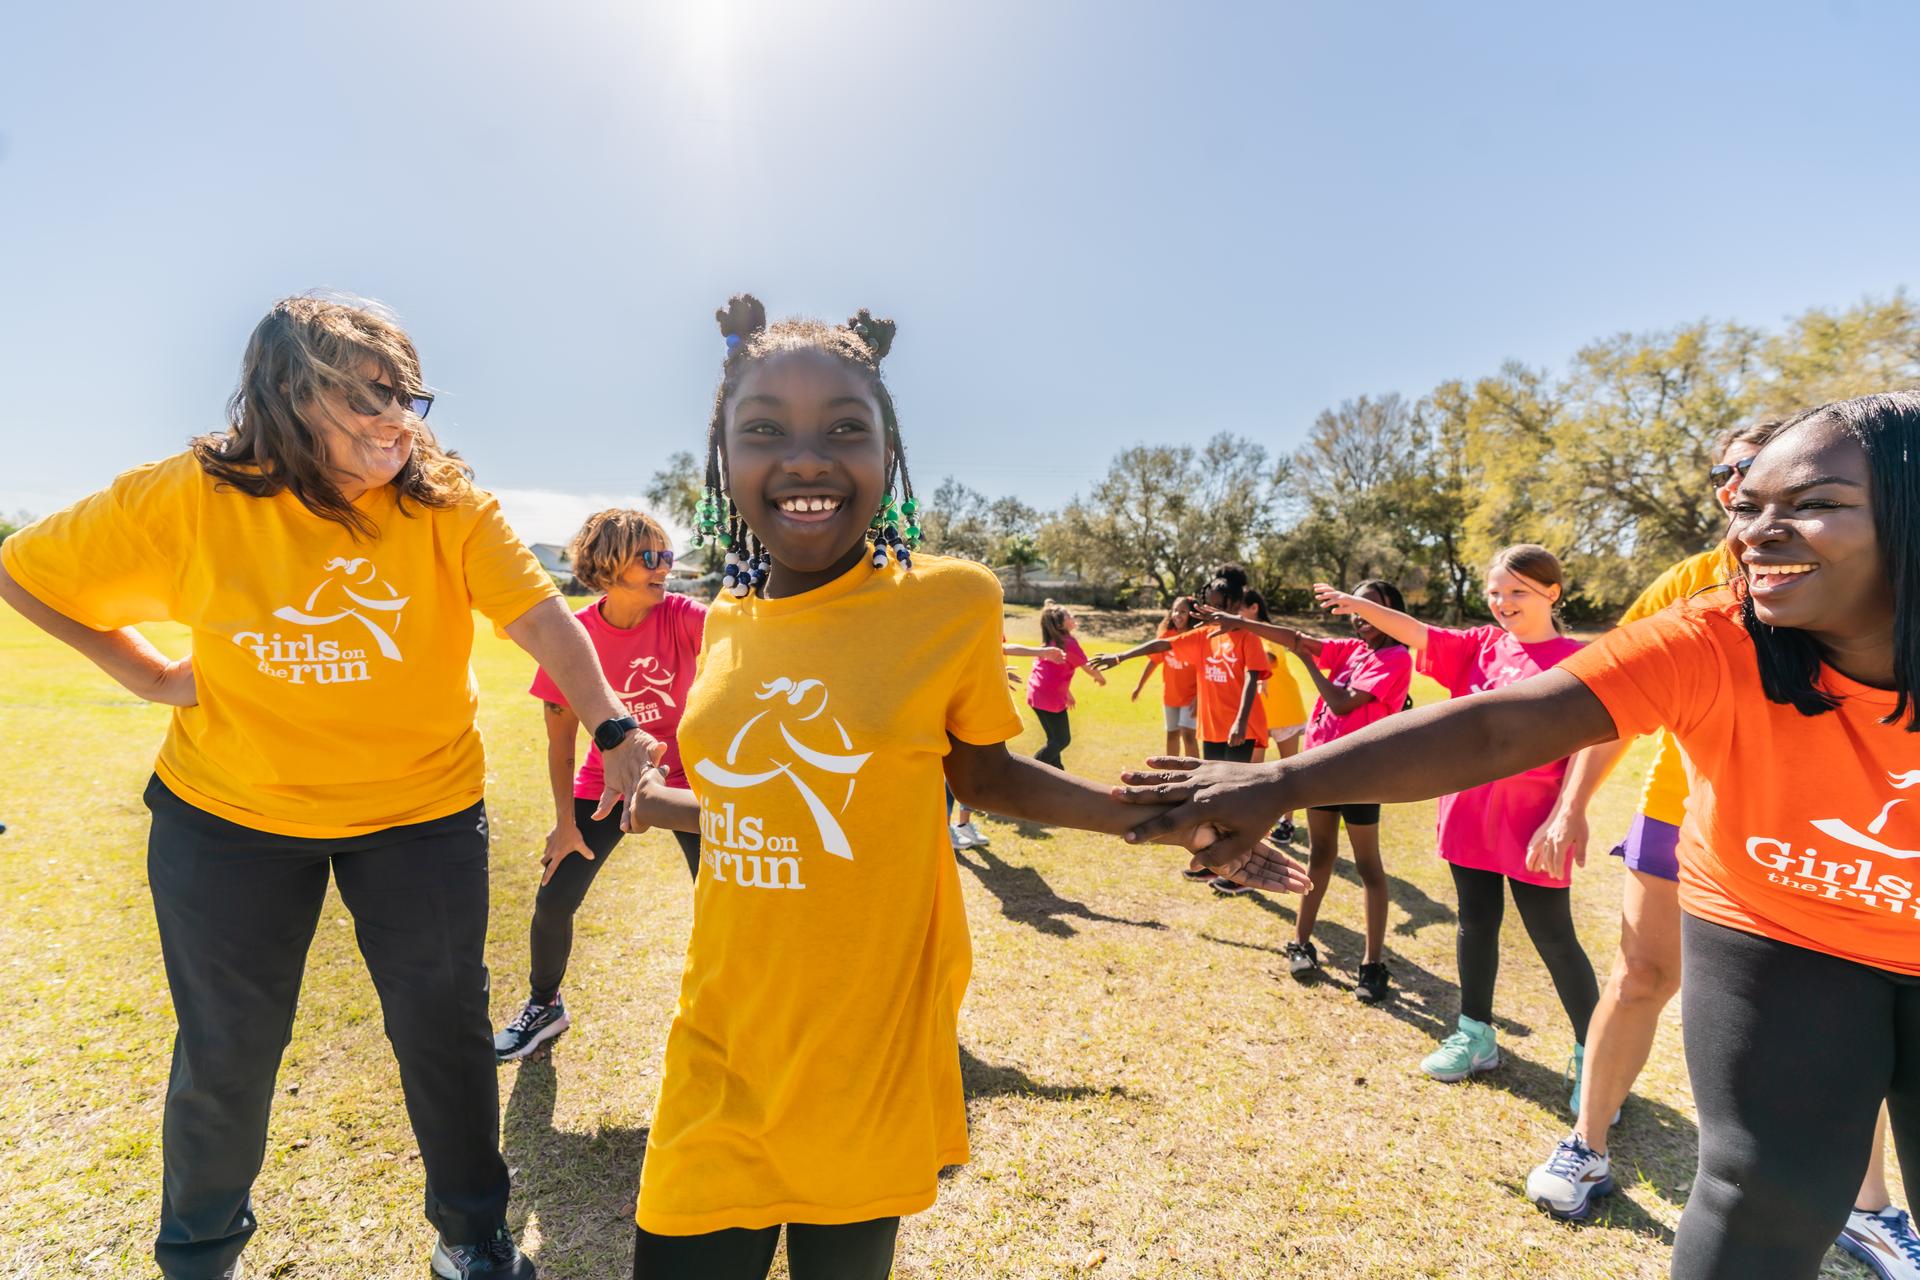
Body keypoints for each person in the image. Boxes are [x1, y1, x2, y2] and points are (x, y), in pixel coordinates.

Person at [1114, 392, 1920, 1280]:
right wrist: (1279, 780)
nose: (1756, 534)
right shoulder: (1714, 633)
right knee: (1761, 1189)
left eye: (1812, 504)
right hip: (1782, 928)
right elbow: (1499, 727)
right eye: (1746, 507)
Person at [618, 295, 1309, 1280]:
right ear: (722, 456)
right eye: (764, 428)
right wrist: (654, 800)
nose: (807, 458)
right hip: (720, 1034)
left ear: (888, 453)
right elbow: (762, 801)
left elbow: (981, 771)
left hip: (868, 1046)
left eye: (845, 429)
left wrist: (1170, 819)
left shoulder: (950, 600)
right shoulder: (725, 612)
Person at [0, 295, 662, 1280]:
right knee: (229, 1042)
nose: (398, 420)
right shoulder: (188, 494)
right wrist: (144, 672)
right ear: (285, 395)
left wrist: (612, 724)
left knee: (445, 1028)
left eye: (407, 394)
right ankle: (199, 1251)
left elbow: (540, 617)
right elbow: (26, 569)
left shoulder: (448, 506)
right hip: (228, 814)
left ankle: (471, 1234)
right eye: (367, 398)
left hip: (422, 816)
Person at [1309, 549, 1599, 1090]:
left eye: (1517, 592)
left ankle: (1595, 1057)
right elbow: (1417, 633)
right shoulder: (1480, 646)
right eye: (1495, 592)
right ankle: (1475, 1035)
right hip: (1468, 812)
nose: (1503, 603)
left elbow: (1595, 742)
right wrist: (1356, 604)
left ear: (1552, 593)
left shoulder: (1575, 660)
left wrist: (1570, 812)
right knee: (1475, 922)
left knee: (1553, 935)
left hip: (1535, 822)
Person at [493, 508, 707, 1062]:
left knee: (729, 898)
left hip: (691, 781)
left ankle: (741, 1006)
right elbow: (561, 743)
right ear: (610, 567)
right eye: (650, 557)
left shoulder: (686, 616)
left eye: (668, 555)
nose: (667, 567)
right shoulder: (576, 636)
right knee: (554, 896)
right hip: (605, 783)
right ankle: (544, 1007)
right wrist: (565, 824)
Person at [1195, 582, 1412, 1002]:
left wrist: (1308, 663)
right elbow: (1296, 639)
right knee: (1320, 856)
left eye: (1371, 609)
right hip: (1322, 767)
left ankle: (1372, 964)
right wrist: (1234, 621)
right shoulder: (1354, 649)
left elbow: (1342, 703)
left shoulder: (1395, 656)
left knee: (1369, 867)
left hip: (1364, 773)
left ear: (1392, 612)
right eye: (1354, 610)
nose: (1360, 618)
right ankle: (1301, 943)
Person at [1091, 566, 1271, 888]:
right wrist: (1121, 657)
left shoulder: (1247, 636)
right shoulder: (1203, 636)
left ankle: (1246, 869)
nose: (1205, 611)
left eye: (1214, 604)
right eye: (1205, 604)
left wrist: (1240, 722)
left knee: (1237, 800)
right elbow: (1162, 646)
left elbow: (1252, 677)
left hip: (1239, 728)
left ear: (1231, 605)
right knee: (1214, 799)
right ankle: (1217, 861)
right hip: (1212, 727)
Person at [948, 639, 1063, 851]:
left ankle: (963, 824)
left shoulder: (989, 614)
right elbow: (991, 648)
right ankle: (946, 829)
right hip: (961, 699)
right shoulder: (975, 610)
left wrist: (997, 673)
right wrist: (1041, 652)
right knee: (955, 772)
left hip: (981, 699)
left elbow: (991, 650)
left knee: (972, 769)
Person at [1247, 587, 1308, 843]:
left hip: (1285, 712)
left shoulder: (1266, 633)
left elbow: (1270, 658)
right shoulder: (1244, 635)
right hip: (1259, 716)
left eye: (1239, 608)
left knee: (1287, 769)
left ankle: (1288, 822)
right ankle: (1256, 817)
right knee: (1253, 771)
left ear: (1253, 608)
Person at [1026, 600, 1106, 769]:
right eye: (1069, 615)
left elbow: (1054, 673)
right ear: (1061, 624)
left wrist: (1067, 694)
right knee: (1062, 740)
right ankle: (1030, 769)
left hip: (1036, 692)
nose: (1073, 616)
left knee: (1054, 739)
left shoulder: (1052, 642)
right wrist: (1100, 678)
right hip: (1049, 695)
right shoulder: (1068, 643)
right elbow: (1087, 667)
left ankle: (1058, 774)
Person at [1130, 595, 1201, 761]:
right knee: (1172, 735)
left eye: (1183, 611)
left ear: (1192, 614)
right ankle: (1172, 772)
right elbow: (1153, 662)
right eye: (1175, 610)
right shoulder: (1166, 636)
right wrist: (1139, 686)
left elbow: (1205, 670)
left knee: (1188, 736)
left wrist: (1199, 696)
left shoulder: (1197, 637)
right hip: (1170, 696)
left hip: (1191, 698)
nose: (1178, 615)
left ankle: (1196, 773)